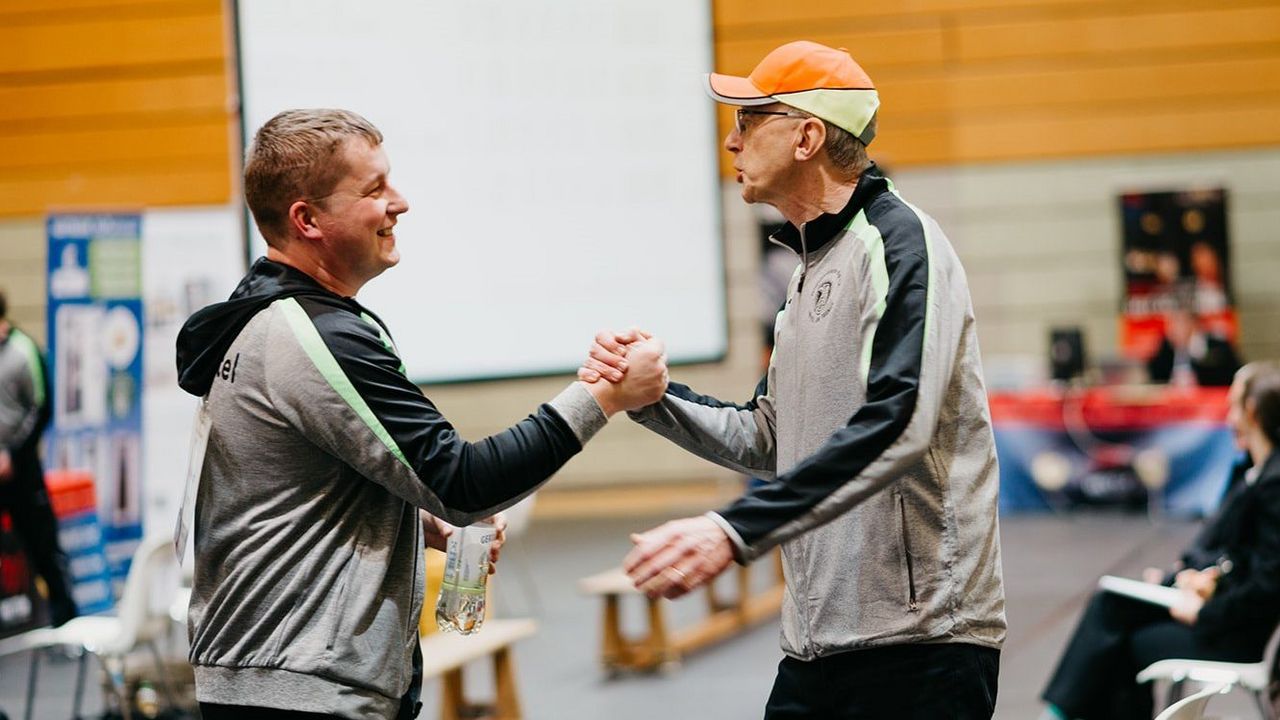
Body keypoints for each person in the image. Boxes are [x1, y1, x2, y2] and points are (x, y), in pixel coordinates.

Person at [174, 109, 668, 720]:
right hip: (299, 691)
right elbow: (463, 484)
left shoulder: (268, 319)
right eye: (374, 189)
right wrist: (605, 396)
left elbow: (300, 482)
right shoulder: (314, 337)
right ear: (308, 219)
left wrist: (411, 520)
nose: (400, 202)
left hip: (282, 680)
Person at [580, 41, 1006, 718]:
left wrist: (732, 530)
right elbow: (773, 437)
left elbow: (900, 421)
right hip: (817, 647)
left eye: (748, 120)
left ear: (807, 135)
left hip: (921, 646)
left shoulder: (899, 244)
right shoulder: (806, 274)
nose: (731, 140)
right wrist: (652, 398)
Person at [1040, 361, 1280, 720]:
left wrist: (1206, 606)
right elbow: (1224, 549)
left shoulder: (1273, 485)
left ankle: (1057, 713)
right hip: (1215, 606)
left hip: (1233, 632)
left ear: (1250, 411)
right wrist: (1190, 576)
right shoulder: (1248, 473)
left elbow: (1269, 584)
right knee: (1111, 605)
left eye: (1231, 406)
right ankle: (1059, 713)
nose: (1227, 417)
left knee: (1119, 639)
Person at [0, 290, 78, 627]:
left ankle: (64, 618)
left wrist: (12, 454)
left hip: (19, 468)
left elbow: (41, 407)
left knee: (41, 543)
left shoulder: (23, 350)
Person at [1147, 304, 1241, 387]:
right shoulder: (1166, 347)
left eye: (1177, 324)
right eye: (1170, 325)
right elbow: (1156, 377)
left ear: (1193, 324)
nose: (1171, 330)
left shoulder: (1217, 346)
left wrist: (1195, 351)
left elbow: (1229, 375)